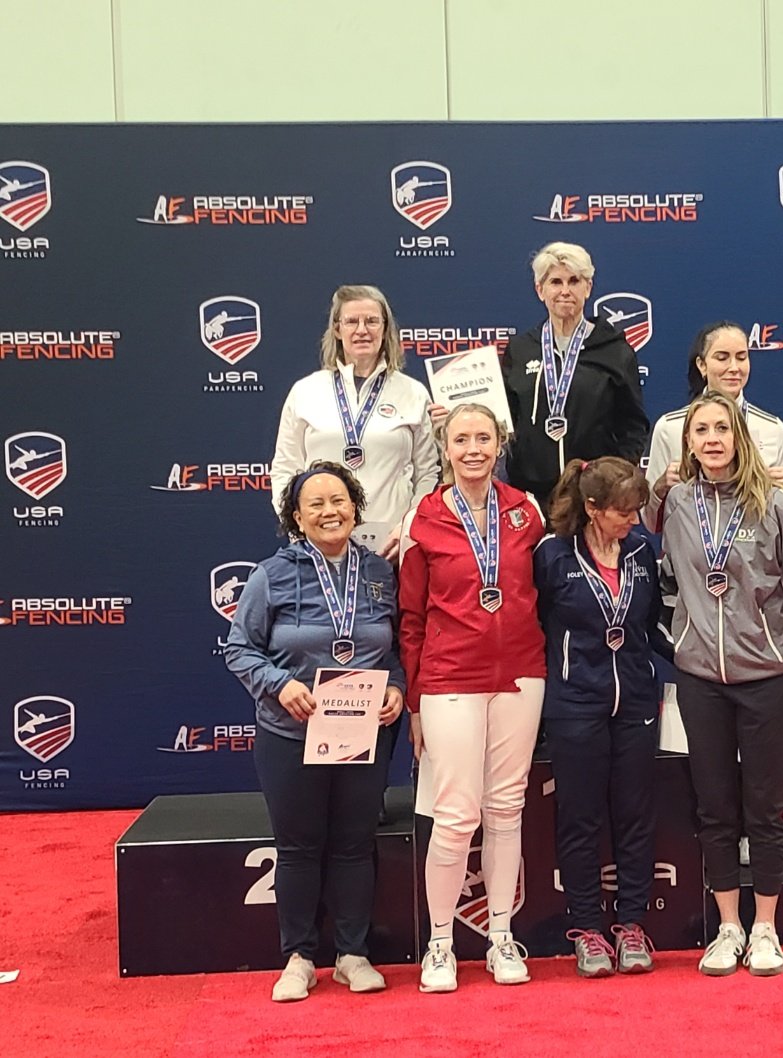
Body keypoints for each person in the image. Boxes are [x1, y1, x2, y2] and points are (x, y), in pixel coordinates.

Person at [660, 391, 783, 978]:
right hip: (700, 680)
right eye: (701, 430)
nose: (712, 439)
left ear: (741, 437)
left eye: (722, 429)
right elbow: (665, 583)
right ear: (688, 441)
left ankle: (766, 927)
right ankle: (727, 927)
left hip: (767, 676)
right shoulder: (675, 504)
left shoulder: (776, 507)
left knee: (765, 808)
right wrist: (682, 638)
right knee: (714, 808)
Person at [224, 460, 405, 1002]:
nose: (330, 511)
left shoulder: (378, 572)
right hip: (290, 732)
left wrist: (395, 687)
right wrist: (279, 685)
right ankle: (299, 958)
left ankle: (353, 955)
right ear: (296, 517)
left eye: (339, 501)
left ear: (355, 507)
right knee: (300, 847)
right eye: (316, 504)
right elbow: (239, 648)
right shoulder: (271, 575)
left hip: (362, 733)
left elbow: (393, 647)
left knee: (354, 844)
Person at [399, 403, 547, 992]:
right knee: (456, 814)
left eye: (483, 438)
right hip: (449, 679)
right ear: (446, 447)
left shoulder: (525, 510)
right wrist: (414, 701)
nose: (473, 449)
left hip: (521, 674)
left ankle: (501, 936)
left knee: (507, 808)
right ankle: (440, 944)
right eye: (461, 439)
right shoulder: (423, 517)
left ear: (499, 443)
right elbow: (410, 618)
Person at [533, 457, 670, 978]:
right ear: (592, 509)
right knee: (581, 817)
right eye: (622, 512)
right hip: (576, 704)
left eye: (636, 511)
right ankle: (588, 929)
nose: (633, 521)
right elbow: (538, 625)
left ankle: (631, 924)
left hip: (635, 700)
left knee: (634, 815)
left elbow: (653, 623)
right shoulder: (551, 555)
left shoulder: (639, 550)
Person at [271, 284, 439, 559]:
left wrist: (408, 529)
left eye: (372, 321)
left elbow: (427, 473)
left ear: (385, 329)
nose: (362, 330)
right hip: (320, 544)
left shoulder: (413, 392)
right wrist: (298, 529)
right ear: (337, 329)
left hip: (393, 547)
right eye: (351, 321)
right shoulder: (305, 391)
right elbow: (285, 468)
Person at [500, 242, 650, 506]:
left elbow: (633, 425)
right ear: (540, 290)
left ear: (588, 288)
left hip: (594, 497)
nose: (565, 291)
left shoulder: (614, 351)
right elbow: (503, 418)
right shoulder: (521, 350)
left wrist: (614, 479)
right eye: (555, 282)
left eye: (574, 281)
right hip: (530, 496)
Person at [644, 321, 783, 533]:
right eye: (722, 358)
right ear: (702, 365)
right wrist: (660, 488)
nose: (734, 368)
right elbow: (650, 524)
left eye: (741, 357)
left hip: (755, 560)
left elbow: (782, 525)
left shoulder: (773, 429)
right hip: (691, 560)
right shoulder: (671, 427)